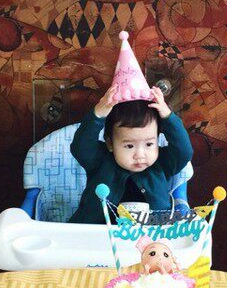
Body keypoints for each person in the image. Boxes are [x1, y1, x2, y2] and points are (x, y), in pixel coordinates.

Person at [68, 85, 193, 224]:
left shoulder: (162, 163)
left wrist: (168, 117)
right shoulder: (99, 160)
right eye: (129, 146)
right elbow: (80, 147)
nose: (140, 155)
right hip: (96, 233)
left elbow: (184, 151)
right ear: (110, 143)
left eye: (149, 144)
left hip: (151, 234)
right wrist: (97, 116)